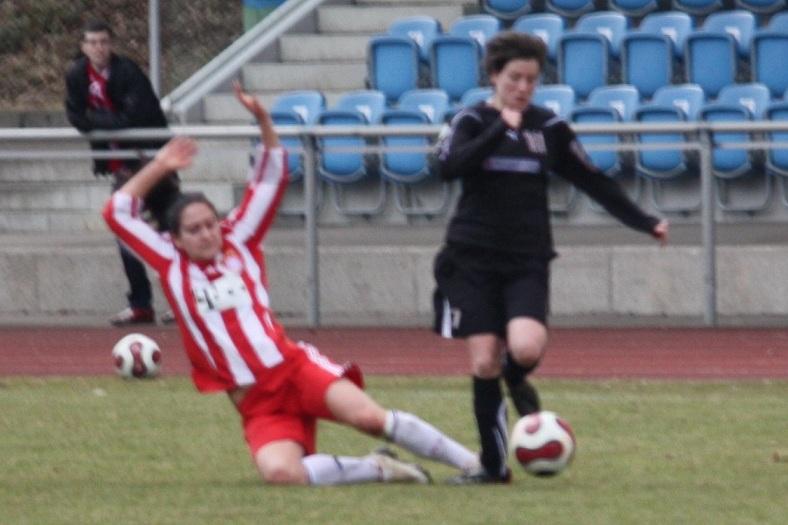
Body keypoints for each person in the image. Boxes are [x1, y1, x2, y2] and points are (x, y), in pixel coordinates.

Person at [103, 82, 481, 486]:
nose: (206, 234)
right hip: (256, 401)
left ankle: (476, 463)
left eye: (210, 224)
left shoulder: (240, 241)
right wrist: (161, 164)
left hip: (292, 369)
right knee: (283, 474)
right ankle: (378, 468)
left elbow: (270, 175)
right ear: (176, 238)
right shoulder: (169, 262)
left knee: (370, 418)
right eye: (193, 230)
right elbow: (117, 211)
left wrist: (264, 121)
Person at [432, 32, 669, 484]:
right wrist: (503, 126)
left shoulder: (550, 129)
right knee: (482, 361)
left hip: (526, 259)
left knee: (525, 348)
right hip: (471, 259)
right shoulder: (470, 121)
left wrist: (644, 221)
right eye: (515, 78)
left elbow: (593, 180)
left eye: (531, 80)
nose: (523, 88)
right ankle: (493, 466)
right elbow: (448, 167)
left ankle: (515, 377)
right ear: (494, 76)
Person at [65, 20, 180, 326]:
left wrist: (96, 119)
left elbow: (134, 117)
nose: (99, 48)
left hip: (150, 158)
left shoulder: (127, 72)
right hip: (120, 165)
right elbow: (76, 116)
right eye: (93, 42)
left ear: (110, 44)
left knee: (173, 228)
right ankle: (141, 304)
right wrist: (101, 121)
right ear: (84, 47)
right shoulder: (77, 74)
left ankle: (184, 300)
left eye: (104, 41)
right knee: (124, 229)